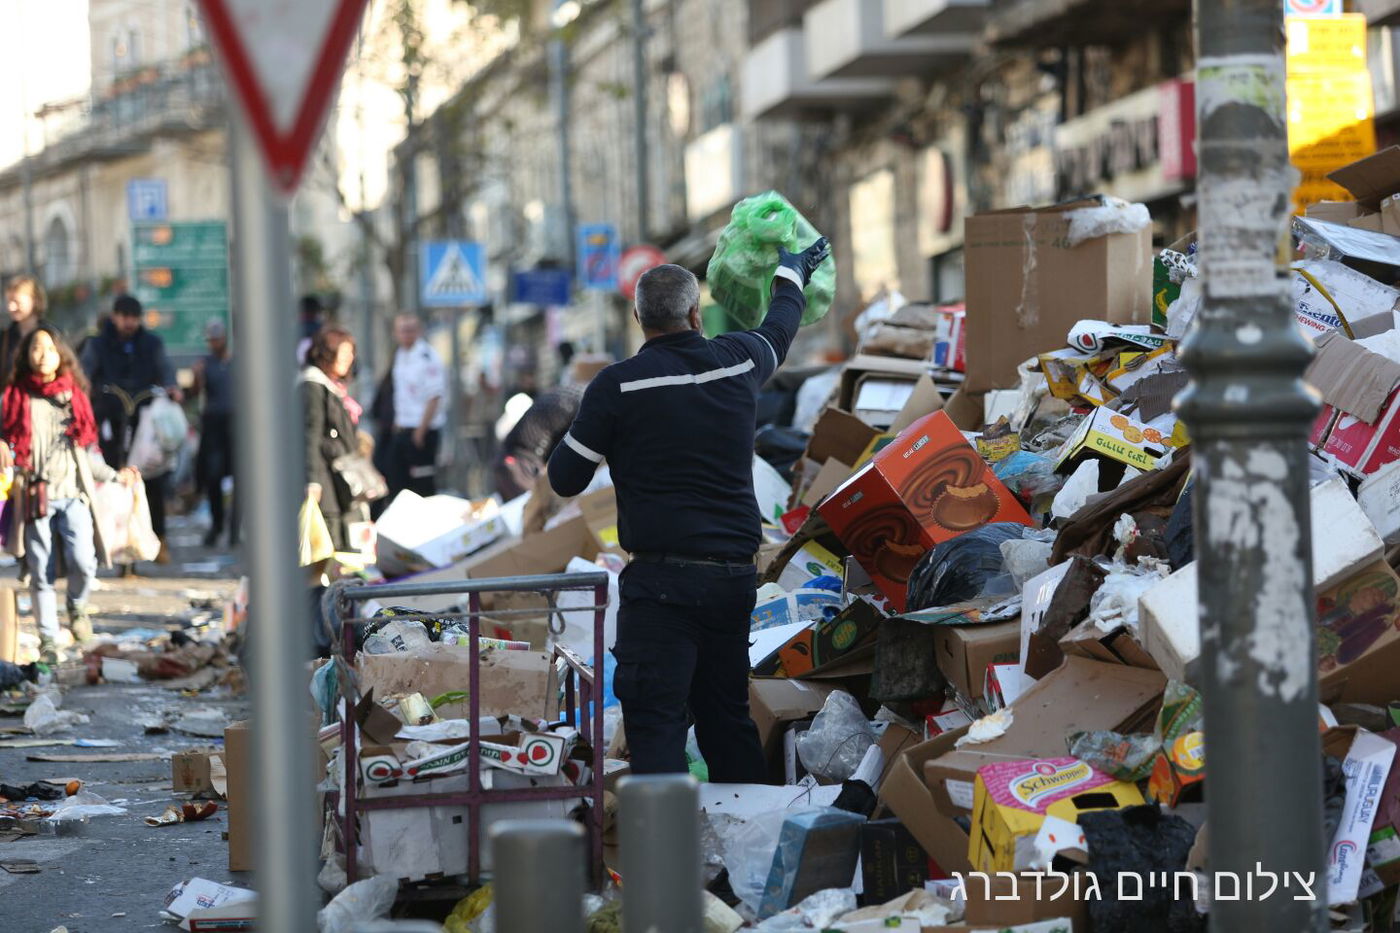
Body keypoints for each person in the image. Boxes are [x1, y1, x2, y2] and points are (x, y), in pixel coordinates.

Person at [547, 238, 831, 782]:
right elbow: (782, 325)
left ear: (638, 318)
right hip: (731, 582)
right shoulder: (737, 361)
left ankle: (664, 863)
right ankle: (744, 848)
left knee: (656, 726)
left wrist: (593, 424)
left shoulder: (617, 386)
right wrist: (791, 272)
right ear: (696, 314)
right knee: (727, 720)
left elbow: (565, 478)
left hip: (659, 588)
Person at [0, 325, 140, 663]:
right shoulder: (15, 396)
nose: (42, 354)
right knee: (40, 566)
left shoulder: (73, 395)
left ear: (61, 354)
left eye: (49, 348)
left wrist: (114, 475)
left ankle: (77, 607)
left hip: (74, 493)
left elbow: (88, 449)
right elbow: (8, 441)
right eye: (35, 348)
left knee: (83, 560)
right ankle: (48, 636)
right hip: (36, 495)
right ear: (26, 355)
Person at [81, 294, 181, 566]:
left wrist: (172, 388)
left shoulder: (151, 343)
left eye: (134, 318)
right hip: (109, 420)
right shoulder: (98, 344)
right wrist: (85, 391)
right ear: (114, 316)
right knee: (112, 479)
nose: (129, 323)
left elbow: (166, 371)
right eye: (124, 317)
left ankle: (159, 538)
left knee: (152, 480)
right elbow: (84, 374)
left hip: (146, 422)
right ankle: (114, 548)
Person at [301, 326, 363, 551]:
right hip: (325, 480)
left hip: (339, 479)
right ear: (327, 354)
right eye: (344, 353)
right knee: (328, 541)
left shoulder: (333, 387)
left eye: (351, 353)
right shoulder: (313, 386)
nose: (350, 359)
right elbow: (311, 435)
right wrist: (313, 480)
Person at [380, 314, 446, 503]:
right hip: (402, 428)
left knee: (422, 486)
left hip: (422, 431)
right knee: (396, 482)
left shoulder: (427, 357)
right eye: (402, 330)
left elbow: (434, 397)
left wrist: (420, 432)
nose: (406, 334)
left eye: (411, 330)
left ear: (419, 331)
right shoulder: (400, 355)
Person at [193, 319, 236, 547]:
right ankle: (217, 523)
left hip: (236, 425)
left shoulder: (237, 363)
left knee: (241, 477)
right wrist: (196, 378)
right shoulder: (205, 364)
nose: (213, 344)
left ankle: (235, 528)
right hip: (213, 426)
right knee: (213, 478)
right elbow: (194, 392)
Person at [1, 276, 46, 388]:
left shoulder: (51, 335)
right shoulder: (5, 337)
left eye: (16, 302)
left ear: (34, 300)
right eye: (9, 302)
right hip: (12, 402)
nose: (11, 307)